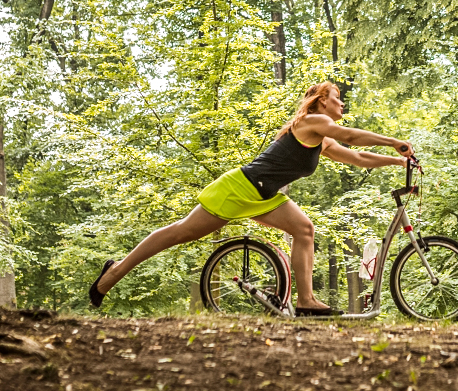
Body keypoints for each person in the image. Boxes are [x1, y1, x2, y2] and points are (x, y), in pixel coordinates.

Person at [89, 82, 413, 316]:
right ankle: (115, 271)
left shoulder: (321, 138)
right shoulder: (312, 122)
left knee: (304, 230)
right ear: (320, 102)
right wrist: (393, 141)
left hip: (265, 195)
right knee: (180, 232)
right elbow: (353, 136)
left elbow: (356, 155)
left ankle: (306, 302)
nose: (342, 105)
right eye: (337, 99)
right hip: (240, 187)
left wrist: (397, 161)